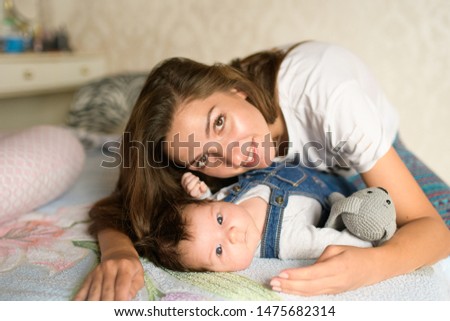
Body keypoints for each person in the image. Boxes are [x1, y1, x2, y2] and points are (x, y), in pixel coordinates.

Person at [74, 40, 450, 300]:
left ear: (237, 89)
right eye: (204, 158)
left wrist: (371, 266)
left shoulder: (332, 99)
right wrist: (119, 253)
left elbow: (435, 231)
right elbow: (128, 206)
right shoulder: (205, 155)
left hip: (352, 150)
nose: (235, 156)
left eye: (219, 122)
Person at [148, 162, 396, 273]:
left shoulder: (222, 201)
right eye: (220, 251)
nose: (232, 233)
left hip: (297, 158)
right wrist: (370, 244)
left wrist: (200, 193)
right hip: (332, 183)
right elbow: (333, 242)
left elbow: (207, 212)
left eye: (220, 220)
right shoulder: (287, 241)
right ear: (216, 273)